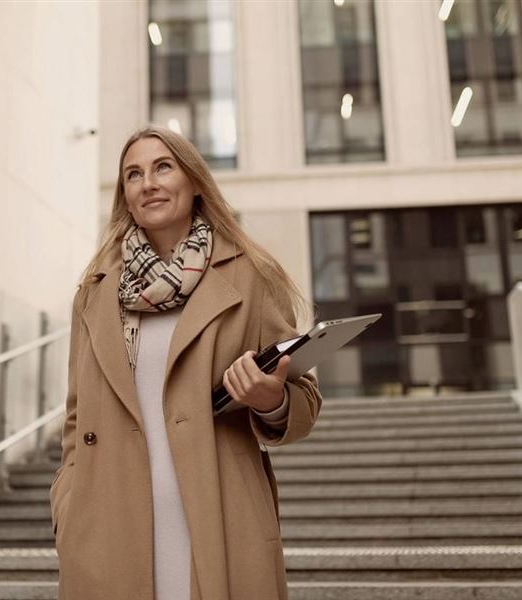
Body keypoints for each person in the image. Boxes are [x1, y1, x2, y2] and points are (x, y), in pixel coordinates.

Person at [49, 125, 323, 600]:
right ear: (125, 196)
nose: (148, 183)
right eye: (133, 174)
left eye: (162, 167)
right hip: (109, 525)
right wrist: (68, 506)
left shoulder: (251, 275)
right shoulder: (93, 294)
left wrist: (271, 398)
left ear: (194, 181)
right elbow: (77, 418)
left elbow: (305, 400)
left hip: (219, 515)